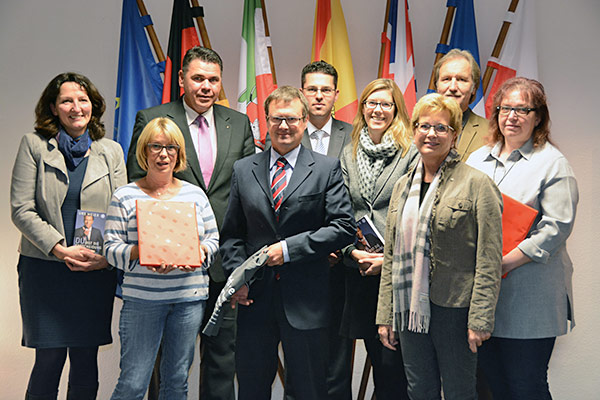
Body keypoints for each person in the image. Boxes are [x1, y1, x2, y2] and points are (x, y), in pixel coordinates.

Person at [126, 46, 254, 400]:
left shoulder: (238, 123)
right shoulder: (153, 117)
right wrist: (163, 247)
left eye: (213, 80)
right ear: (181, 79)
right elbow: (140, 183)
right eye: (198, 78)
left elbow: (248, 192)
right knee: (169, 364)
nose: (206, 86)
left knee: (221, 361)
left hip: (224, 262)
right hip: (169, 269)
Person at [220, 86, 356, 400]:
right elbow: (231, 235)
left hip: (307, 301)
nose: (284, 126)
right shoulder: (244, 169)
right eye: (277, 119)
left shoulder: (325, 169)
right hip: (254, 300)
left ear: (305, 121)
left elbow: (343, 227)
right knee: (252, 389)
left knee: (309, 390)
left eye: (292, 119)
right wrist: (237, 279)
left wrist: (288, 250)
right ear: (266, 121)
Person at [376, 93, 502, 400]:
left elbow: (489, 258)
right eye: (424, 126)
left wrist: (480, 318)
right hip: (408, 308)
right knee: (419, 390)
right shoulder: (403, 186)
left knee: (460, 391)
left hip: (456, 310)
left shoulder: (477, 184)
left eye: (441, 128)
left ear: (455, 135)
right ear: (414, 130)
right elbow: (391, 255)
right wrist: (385, 315)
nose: (431, 134)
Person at [10, 72, 126, 400]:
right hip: (45, 270)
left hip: (93, 270)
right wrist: (61, 250)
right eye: (67, 100)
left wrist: (104, 258)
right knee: (48, 359)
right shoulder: (34, 145)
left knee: (85, 360)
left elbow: (122, 211)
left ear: (94, 106)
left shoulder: (111, 151)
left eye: (82, 99)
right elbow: (22, 210)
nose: (76, 107)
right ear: (53, 107)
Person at [466, 77, 579, 400]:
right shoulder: (477, 159)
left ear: (538, 116)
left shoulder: (553, 163)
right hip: (486, 299)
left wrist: (502, 262)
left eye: (522, 109)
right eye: (505, 109)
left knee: (526, 386)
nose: (512, 116)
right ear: (496, 113)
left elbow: (556, 228)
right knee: (495, 386)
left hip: (530, 298)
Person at [105, 117, 219, 400]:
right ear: (144, 151)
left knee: (176, 382)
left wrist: (197, 251)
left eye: (171, 147)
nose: (163, 154)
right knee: (133, 383)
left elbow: (214, 240)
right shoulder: (124, 195)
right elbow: (109, 248)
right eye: (156, 146)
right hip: (142, 301)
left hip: (188, 300)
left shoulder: (196, 195)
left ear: (179, 154)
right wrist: (140, 252)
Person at [339, 78, 417, 399]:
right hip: (360, 271)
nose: (378, 110)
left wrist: (388, 259)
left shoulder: (410, 153)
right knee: (377, 356)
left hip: (397, 273)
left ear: (397, 110)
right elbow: (342, 209)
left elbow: (416, 212)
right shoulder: (349, 152)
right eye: (372, 102)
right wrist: (352, 253)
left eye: (386, 104)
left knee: (393, 366)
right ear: (363, 107)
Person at [298, 60, 353, 399]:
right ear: (302, 93)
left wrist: (338, 244)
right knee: (301, 349)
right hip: (300, 259)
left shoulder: (355, 134)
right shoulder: (285, 133)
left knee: (338, 349)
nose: (318, 96)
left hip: (342, 260)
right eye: (312, 89)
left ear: (336, 95)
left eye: (325, 90)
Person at [434, 48, 487, 161]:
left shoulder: (490, 132)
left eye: (461, 80)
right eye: (446, 79)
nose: (453, 87)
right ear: (437, 87)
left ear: (474, 88)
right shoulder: (415, 129)